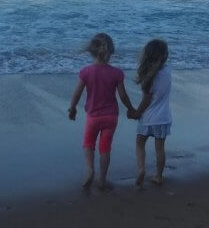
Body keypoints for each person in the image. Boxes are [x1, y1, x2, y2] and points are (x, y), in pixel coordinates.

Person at [68, 33, 136, 190]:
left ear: (91, 51)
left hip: (93, 116)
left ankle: (90, 170)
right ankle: (102, 180)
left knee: (88, 143)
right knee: (105, 147)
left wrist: (72, 109)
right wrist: (131, 109)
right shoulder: (117, 73)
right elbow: (123, 96)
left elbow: (77, 93)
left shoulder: (86, 72)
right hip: (111, 116)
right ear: (110, 52)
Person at [127, 39, 172, 188]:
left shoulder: (148, 77)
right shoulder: (167, 71)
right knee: (160, 148)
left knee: (140, 143)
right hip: (164, 118)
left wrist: (136, 113)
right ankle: (159, 176)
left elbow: (146, 100)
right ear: (164, 56)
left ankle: (141, 168)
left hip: (148, 118)